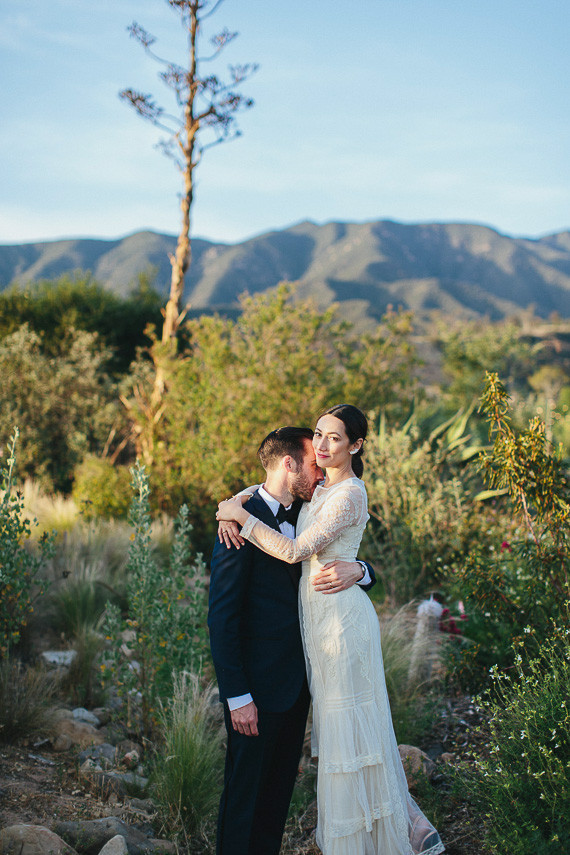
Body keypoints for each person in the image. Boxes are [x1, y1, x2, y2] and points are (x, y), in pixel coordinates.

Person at [217, 404, 445, 855]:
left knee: (352, 738)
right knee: (335, 748)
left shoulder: (344, 494)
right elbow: (272, 491)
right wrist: (231, 505)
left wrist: (361, 570)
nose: (321, 447)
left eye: (332, 438)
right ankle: (390, 824)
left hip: (339, 632)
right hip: (298, 651)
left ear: (355, 445)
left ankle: (392, 831)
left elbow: (300, 547)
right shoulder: (309, 492)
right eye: (317, 436)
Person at [208, 426, 376, 855]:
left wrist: (362, 570)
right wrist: (236, 695)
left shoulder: (308, 510)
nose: (320, 471)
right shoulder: (236, 525)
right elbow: (222, 617)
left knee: (277, 798)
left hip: (301, 685)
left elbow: (343, 543)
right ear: (288, 463)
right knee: (243, 795)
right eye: (311, 462)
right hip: (256, 692)